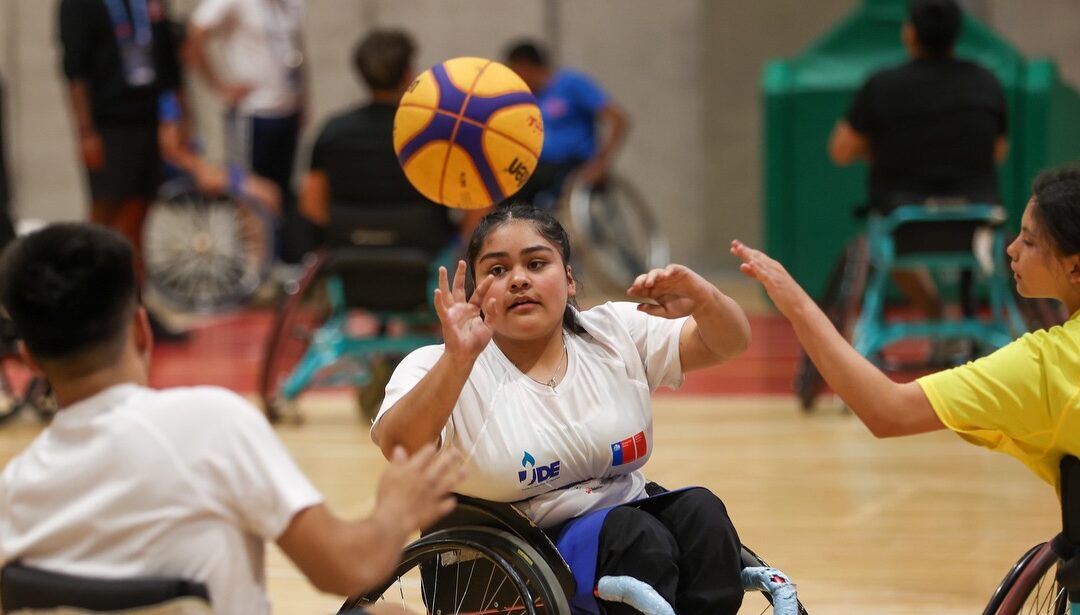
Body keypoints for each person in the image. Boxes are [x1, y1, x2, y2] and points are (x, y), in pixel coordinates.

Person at [0, 222, 465, 614]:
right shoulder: (211, 424)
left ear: (29, 360)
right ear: (142, 331)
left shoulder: (13, 493)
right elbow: (347, 567)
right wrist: (394, 511)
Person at [371, 204, 753, 614]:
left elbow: (726, 343)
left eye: (536, 263)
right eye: (497, 271)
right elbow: (398, 444)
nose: (518, 279)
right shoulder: (437, 364)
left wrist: (706, 300)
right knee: (637, 537)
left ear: (569, 279)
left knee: (703, 515)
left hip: (625, 519)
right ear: (476, 291)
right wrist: (457, 360)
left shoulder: (612, 332)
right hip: (514, 554)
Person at [733, 165, 1080, 493]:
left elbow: (888, 411)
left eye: (1030, 242)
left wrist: (798, 306)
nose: (1011, 249)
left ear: (1075, 268)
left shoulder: (1045, 364)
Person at [828, 0, 1008, 333]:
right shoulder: (986, 82)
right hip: (977, 225)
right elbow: (998, 152)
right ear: (957, 34)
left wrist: (878, 148)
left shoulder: (881, 85)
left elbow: (840, 150)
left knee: (883, 238)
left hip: (904, 227)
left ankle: (936, 316)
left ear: (910, 34)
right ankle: (949, 325)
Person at [300, 28, 485, 241]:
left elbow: (311, 205)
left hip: (350, 255)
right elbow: (476, 208)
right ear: (408, 74)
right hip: (429, 256)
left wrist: (359, 233)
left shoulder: (332, 131)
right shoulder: (437, 132)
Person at [186, 0, 319, 264]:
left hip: (287, 109)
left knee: (280, 191)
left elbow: (297, 50)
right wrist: (219, 85)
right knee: (252, 192)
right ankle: (252, 266)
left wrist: (303, 98)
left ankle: (276, 261)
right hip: (252, 112)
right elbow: (194, 37)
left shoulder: (291, 5)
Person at [57, 0, 182, 276]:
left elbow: (168, 61)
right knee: (106, 211)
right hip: (107, 124)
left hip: (148, 119)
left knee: (139, 212)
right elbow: (74, 69)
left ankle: (134, 301)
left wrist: (173, 117)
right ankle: (85, 290)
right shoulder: (77, 6)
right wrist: (86, 131)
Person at [505, 40, 630, 210]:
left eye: (515, 72)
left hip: (571, 164)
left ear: (526, 67)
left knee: (521, 184)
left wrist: (601, 163)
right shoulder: (527, 98)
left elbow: (618, 120)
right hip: (540, 166)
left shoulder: (570, 84)